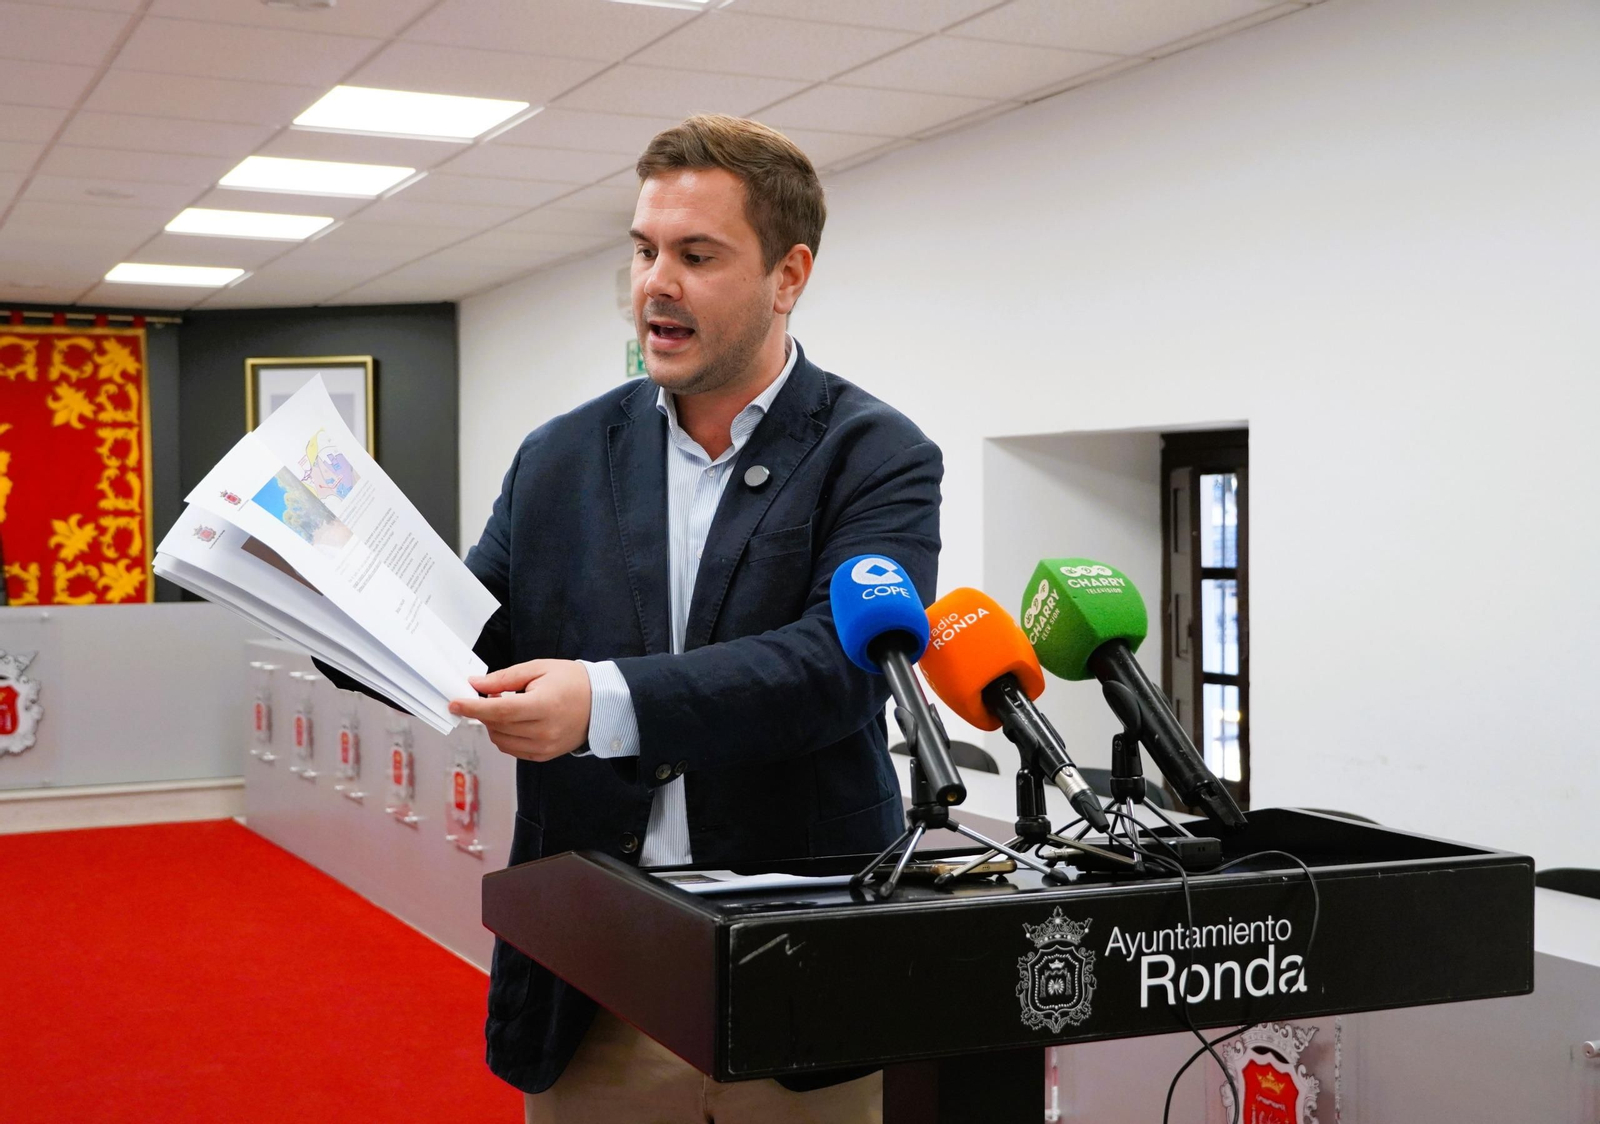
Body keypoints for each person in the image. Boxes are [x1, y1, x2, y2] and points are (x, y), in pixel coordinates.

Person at [335, 114, 942, 1124]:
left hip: (800, 972)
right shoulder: (559, 455)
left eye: (696, 255)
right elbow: (475, 640)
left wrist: (601, 702)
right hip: (595, 970)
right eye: (644, 248)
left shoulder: (873, 452)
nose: (656, 281)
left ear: (788, 275)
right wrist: (332, 601)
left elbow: (831, 667)